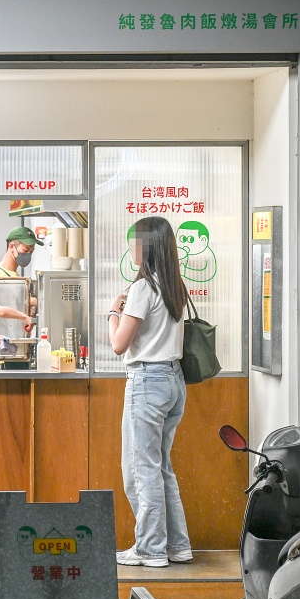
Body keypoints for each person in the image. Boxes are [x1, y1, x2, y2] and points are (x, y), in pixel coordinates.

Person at [108, 216, 192, 568]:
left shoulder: (143, 288)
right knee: (161, 468)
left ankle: (150, 549)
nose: (131, 247)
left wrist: (114, 310)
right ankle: (177, 545)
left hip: (147, 382)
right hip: (173, 382)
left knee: (142, 469)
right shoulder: (175, 285)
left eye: (135, 242)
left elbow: (118, 344)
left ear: (147, 248)